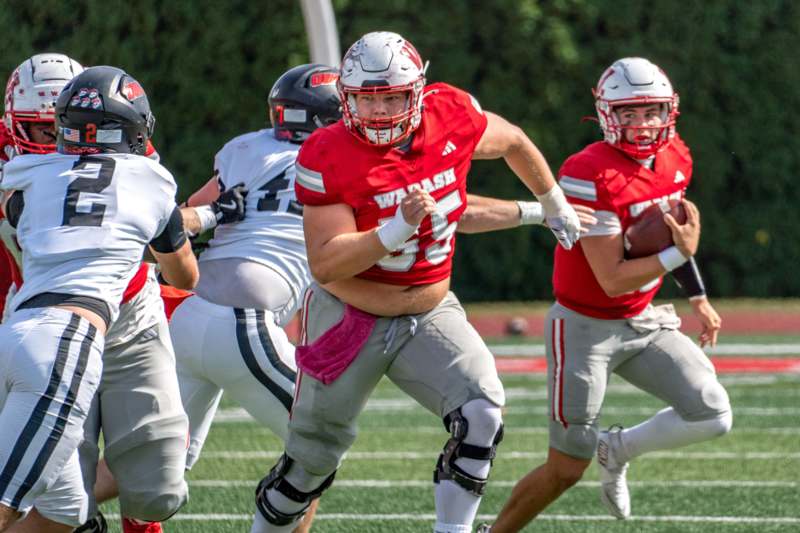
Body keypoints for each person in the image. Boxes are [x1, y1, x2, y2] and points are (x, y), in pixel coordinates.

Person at [249, 31, 582, 533]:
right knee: (308, 467)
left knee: (482, 415)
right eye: (368, 99)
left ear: (418, 93)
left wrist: (550, 201)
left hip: (429, 312)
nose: (381, 111)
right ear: (347, 99)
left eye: (393, 97)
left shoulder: (450, 114)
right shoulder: (327, 152)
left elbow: (511, 140)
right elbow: (325, 262)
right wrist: (394, 229)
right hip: (349, 318)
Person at [481, 57, 732, 533]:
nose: (642, 125)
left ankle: (616, 449)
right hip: (585, 327)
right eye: (629, 113)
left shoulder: (677, 156)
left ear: (670, 111)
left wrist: (696, 294)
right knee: (566, 467)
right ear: (605, 115)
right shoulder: (585, 170)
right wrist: (682, 258)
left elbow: (671, 238)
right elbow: (612, 277)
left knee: (713, 413)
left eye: (651, 112)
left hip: (641, 319)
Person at [0, 65, 198, 533]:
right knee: (9, 501)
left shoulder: (25, 176)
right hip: (66, 338)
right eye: (38, 128)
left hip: (34, 325)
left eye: (55, 128)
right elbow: (184, 273)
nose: (48, 138)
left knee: (68, 509)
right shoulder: (149, 176)